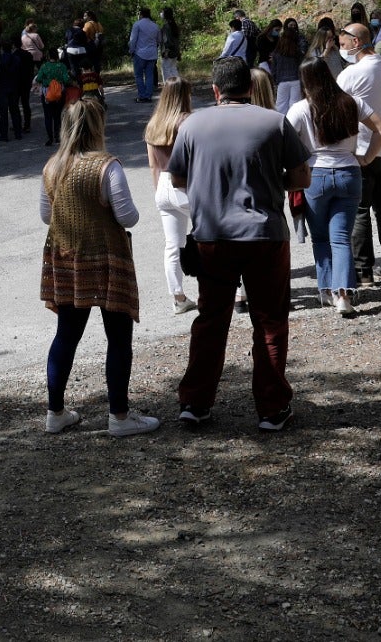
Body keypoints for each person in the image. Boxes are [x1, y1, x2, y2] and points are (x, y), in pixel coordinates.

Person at [169, 57, 310, 432]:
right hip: (264, 235)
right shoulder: (273, 122)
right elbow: (301, 177)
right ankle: (271, 407)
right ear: (249, 86)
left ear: (215, 90)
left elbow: (178, 179)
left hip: (212, 236)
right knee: (270, 321)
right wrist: (265, 178)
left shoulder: (192, 124)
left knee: (211, 320)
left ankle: (195, 403)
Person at [40, 99, 159, 438]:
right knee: (118, 337)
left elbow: (46, 216)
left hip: (67, 260)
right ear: (97, 127)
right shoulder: (107, 167)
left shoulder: (52, 167)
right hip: (107, 259)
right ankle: (119, 417)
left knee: (66, 335)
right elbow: (129, 217)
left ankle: (56, 412)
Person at [286, 60, 381, 316]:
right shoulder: (351, 102)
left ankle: (327, 291)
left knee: (320, 239)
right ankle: (344, 294)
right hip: (349, 172)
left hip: (315, 176)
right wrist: (366, 157)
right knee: (341, 238)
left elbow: (283, 141)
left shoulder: (300, 109)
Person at [337, 23, 381, 285]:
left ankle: (364, 270)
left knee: (360, 211)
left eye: (343, 45)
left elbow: (337, 109)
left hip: (360, 150)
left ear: (356, 43)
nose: (342, 50)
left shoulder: (351, 74)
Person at [145, 80, 198, 316]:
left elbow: (153, 165)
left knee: (172, 245)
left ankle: (178, 297)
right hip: (186, 184)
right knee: (211, 236)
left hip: (164, 186)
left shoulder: (154, 124)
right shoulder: (187, 121)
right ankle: (214, 288)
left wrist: (159, 191)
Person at [0, 40, 24, 141]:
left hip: (2, 87)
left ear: (2, 49)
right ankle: (18, 133)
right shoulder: (16, 59)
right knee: (15, 111)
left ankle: (4, 135)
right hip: (14, 87)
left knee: (3, 113)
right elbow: (21, 73)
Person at [35, 55, 73, 146]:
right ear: (57, 56)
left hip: (47, 94)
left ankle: (50, 138)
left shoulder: (44, 66)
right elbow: (66, 80)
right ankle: (57, 136)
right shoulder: (62, 66)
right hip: (59, 94)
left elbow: (38, 78)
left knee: (48, 116)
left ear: (49, 57)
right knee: (58, 115)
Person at [269, 25, 305, 116]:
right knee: (295, 105)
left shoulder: (277, 52)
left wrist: (275, 80)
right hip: (296, 79)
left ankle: (281, 125)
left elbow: (274, 69)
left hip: (282, 81)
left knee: (281, 105)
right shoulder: (297, 52)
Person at [127, 7, 161, 102]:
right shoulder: (155, 26)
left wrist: (131, 51)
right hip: (152, 54)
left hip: (139, 53)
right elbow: (159, 40)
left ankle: (142, 96)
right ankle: (148, 96)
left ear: (141, 14)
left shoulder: (137, 25)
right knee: (149, 75)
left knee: (139, 76)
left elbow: (133, 40)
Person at [158, 8, 181, 82]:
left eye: (162, 12)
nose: (161, 14)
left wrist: (166, 50)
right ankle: (177, 87)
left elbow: (166, 40)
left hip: (169, 52)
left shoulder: (166, 27)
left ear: (165, 15)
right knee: (173, 69)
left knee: (166, 70)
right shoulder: (174, 25)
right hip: (175, 51)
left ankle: (168, 89)